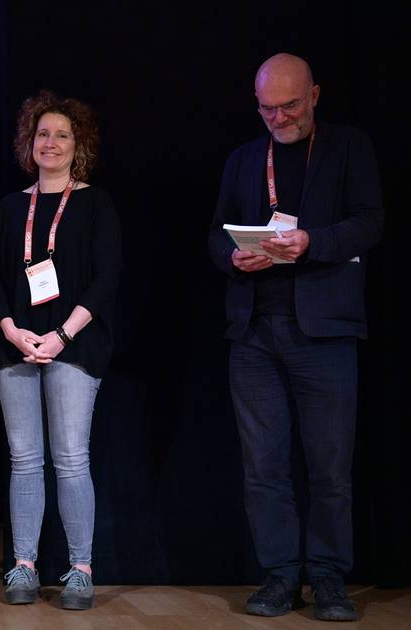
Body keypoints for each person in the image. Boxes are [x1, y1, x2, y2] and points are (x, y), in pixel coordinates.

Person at [208, 53, 384, 622]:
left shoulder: (348, 147)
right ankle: (281, 575)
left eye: (289, 106)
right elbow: (215, 233)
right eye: (267, 108)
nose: (278, 118)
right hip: (255, 331)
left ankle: (329, 577)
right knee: (264, 464)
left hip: (325, 330)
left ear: (314, 96)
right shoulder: (242, 159)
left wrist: (311, 242)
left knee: (330, 466)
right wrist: (236, 258)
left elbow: (370, 221)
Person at [0, 90, 121, 610]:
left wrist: (63, 334)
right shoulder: (9, 207)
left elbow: (107, 278)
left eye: (62, 135)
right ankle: (23, 566)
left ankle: (80, 570)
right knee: (24, 461)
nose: (51, 143)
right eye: (42, 134)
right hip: (15, 346)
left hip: (75, 345)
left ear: (78, 144)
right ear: (29, 141)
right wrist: (11, 330)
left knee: (69, 459)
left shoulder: (95, 204)